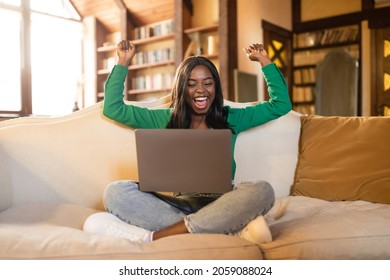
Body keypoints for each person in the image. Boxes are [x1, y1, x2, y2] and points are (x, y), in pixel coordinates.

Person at [83, 40, 292, 245]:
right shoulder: (164, 119)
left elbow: (280, 105)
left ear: (216, 88)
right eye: (191, 84)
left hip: (223, 203)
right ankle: (229, 230)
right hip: (177, 205)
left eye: (207, 83)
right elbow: (113, 108)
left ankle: (154, 237)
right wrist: (123, 63)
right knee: (115, 191)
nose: (201, 90)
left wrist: (264, 61)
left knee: (262, 190)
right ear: (182, 89)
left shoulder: (232, 118)